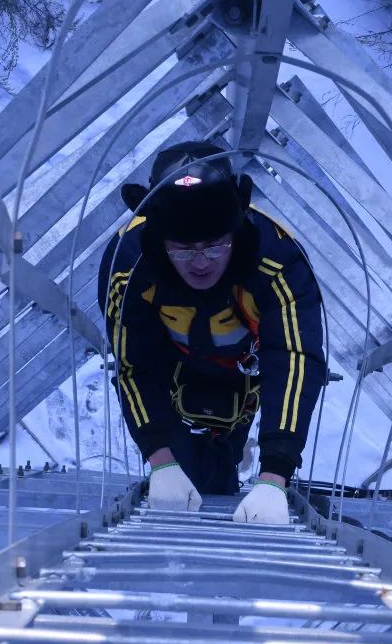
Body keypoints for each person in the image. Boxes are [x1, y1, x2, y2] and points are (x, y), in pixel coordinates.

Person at [97, 141, 325, 524]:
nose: (201, 263)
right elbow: (133, 364)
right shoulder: (129, 265)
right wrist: (159, 457)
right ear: (160, 240)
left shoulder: (277, 260)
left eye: (215, 246)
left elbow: (294, 358)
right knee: (184, 474)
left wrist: (275, 474)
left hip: (242, 373)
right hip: (173, 368)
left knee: (224, 464)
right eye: (183, 249)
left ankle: (230, 463)